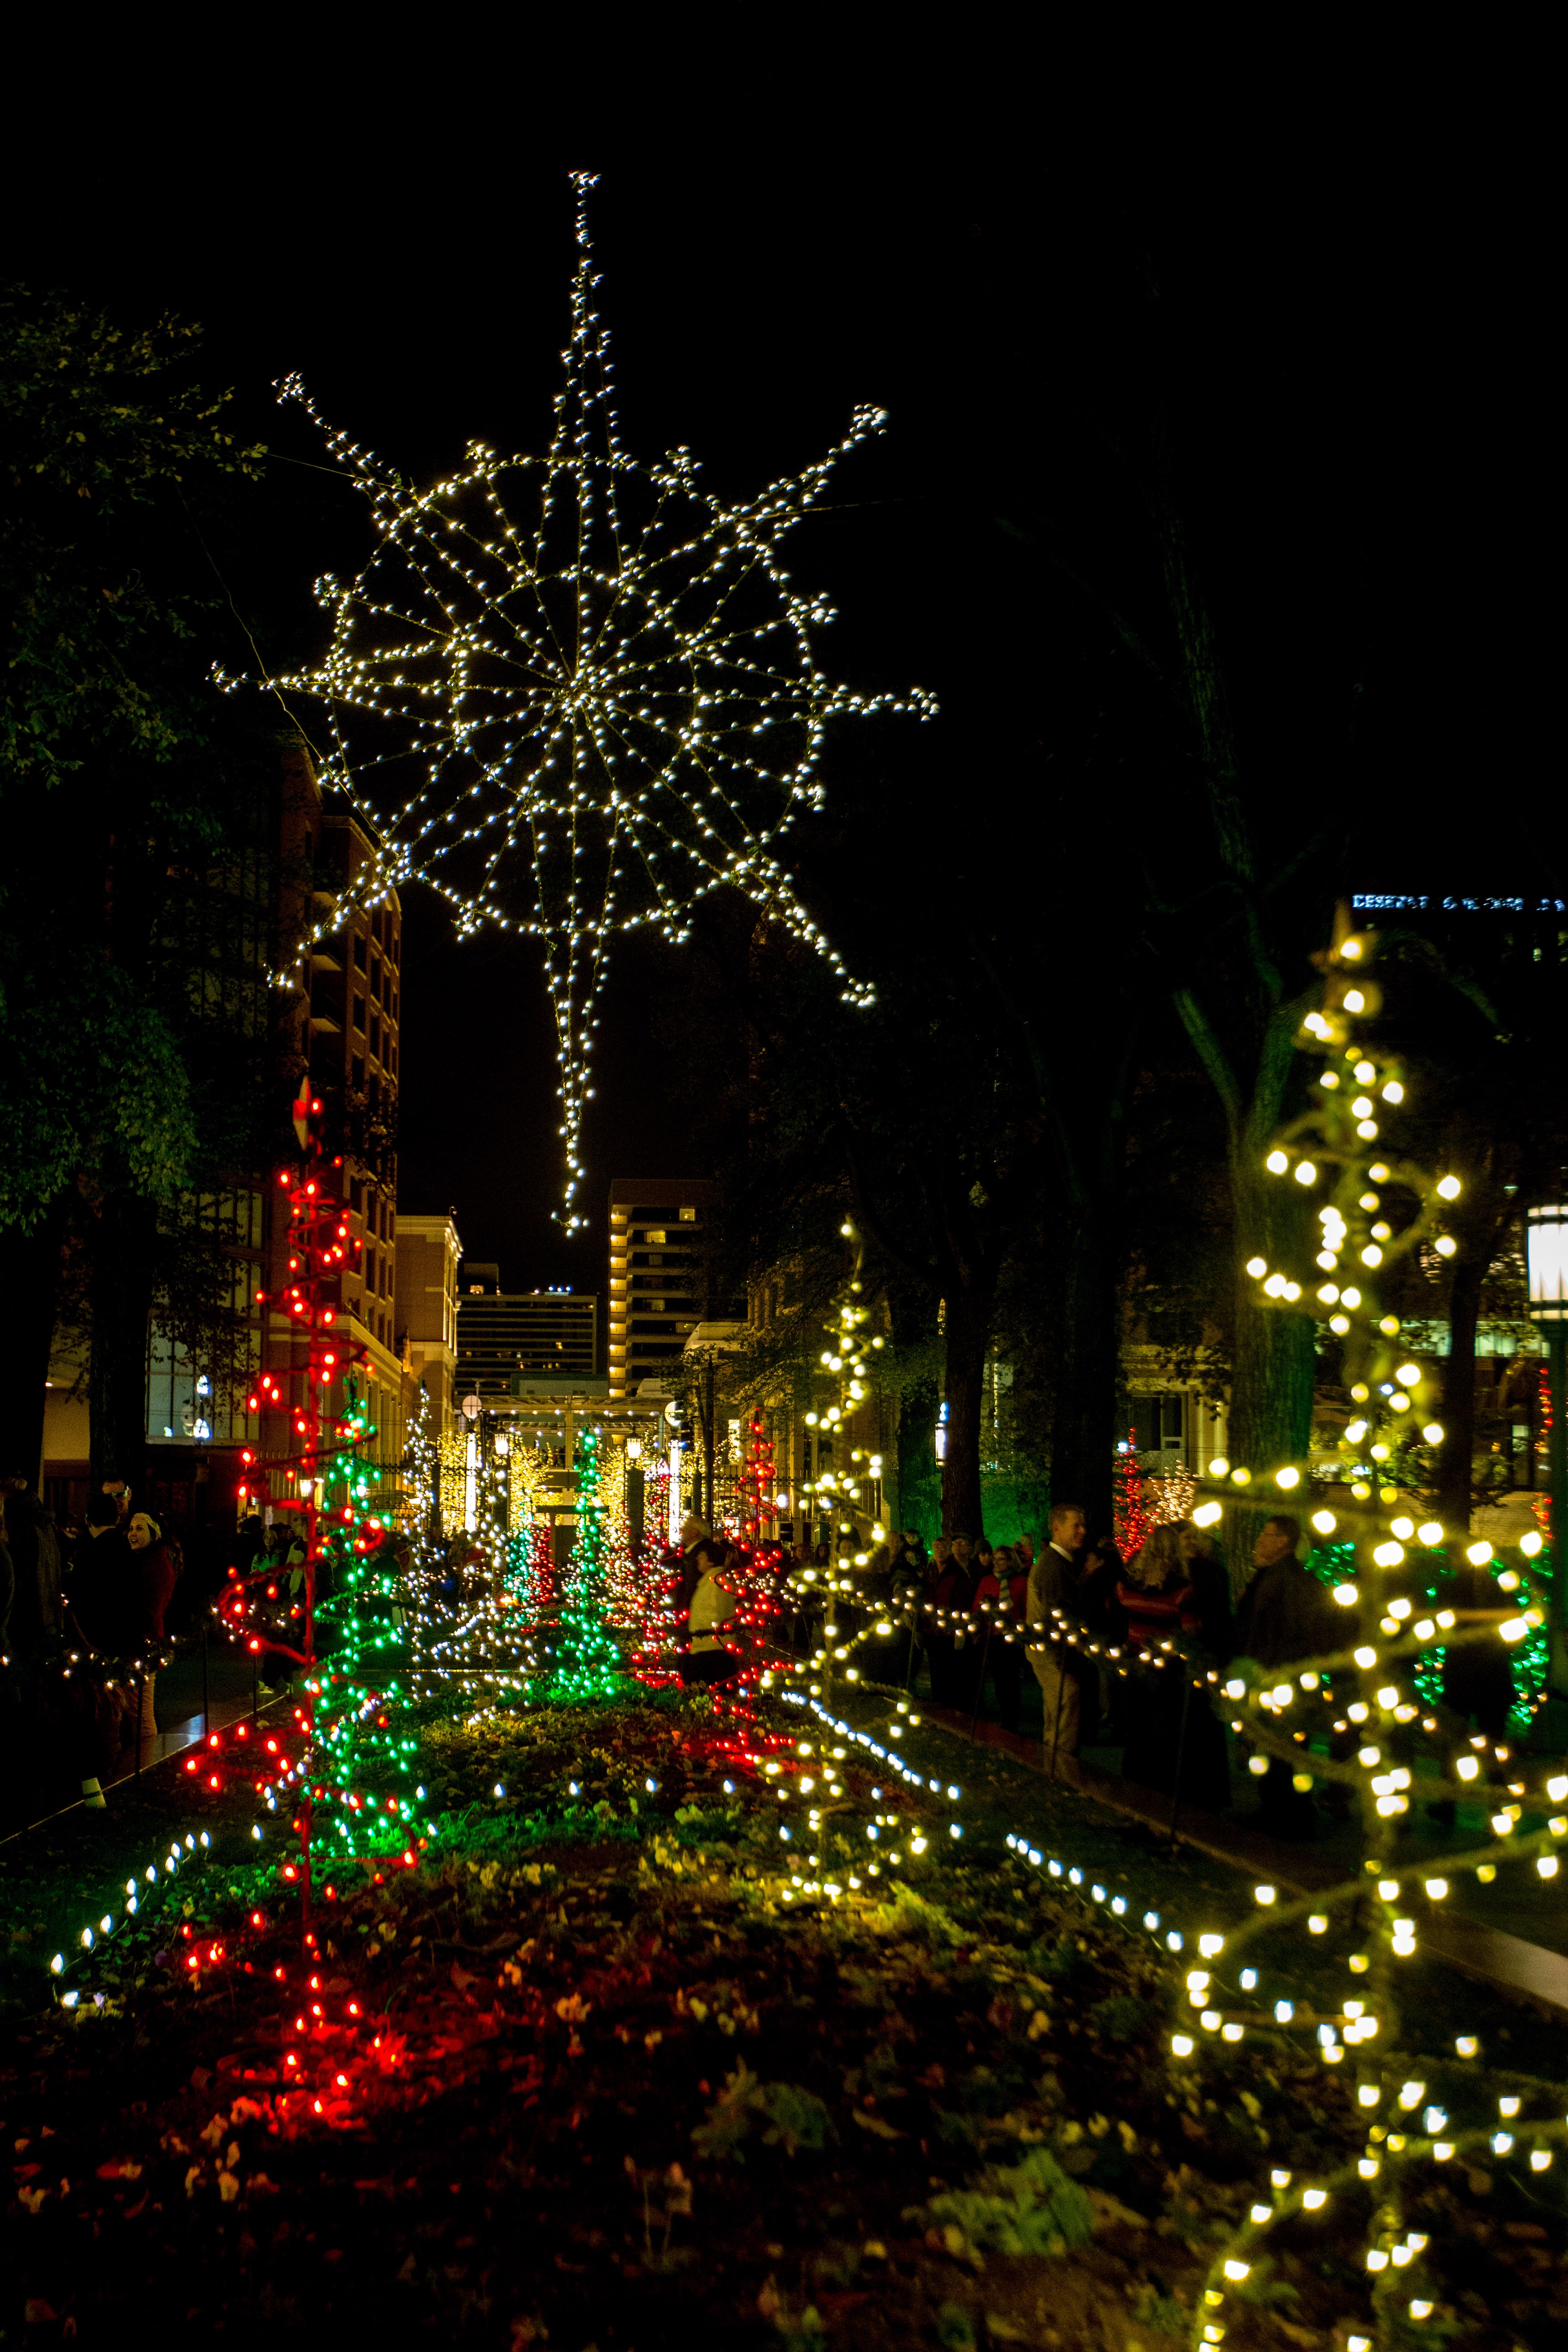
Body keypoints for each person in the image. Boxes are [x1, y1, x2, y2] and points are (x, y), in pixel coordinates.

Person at [1232, 1515, 1342, 1839]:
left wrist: (1270, 1667)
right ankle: (1283, 1809)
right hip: (1281, 1673)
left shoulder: (1286, 1580)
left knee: (1280, 1748)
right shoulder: (1283, 1577)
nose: (1259, 1540)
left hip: (1279, 1675)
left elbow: (1291, 1629)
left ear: (1283, 1541)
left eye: (1266, 1534)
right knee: (1282, 1748)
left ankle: (1285, 1814)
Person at [1026, 1503, 1087, 1782]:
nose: (1082, 1531)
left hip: (1049, 1648)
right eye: (1076, 1525)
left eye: (1083, 1525)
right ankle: (1060, 1771)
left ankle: (1050, 1764)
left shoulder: (1062, 1563)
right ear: (1057, 1528)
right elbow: (1060, 1612)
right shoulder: (1053, 1566)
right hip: (1050, 1650)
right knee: (1067, 1699)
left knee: (1055, 1707)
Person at [974, 1543, 1028, 1732]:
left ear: (1010, 1561)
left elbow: (1026, 1609)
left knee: (1011, 1678)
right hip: (993, 1635)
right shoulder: (987, 1581)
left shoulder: (1021, 1582)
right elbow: (977, 1606)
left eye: (1001, 1559)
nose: (996, 1563)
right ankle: (1004, 1714)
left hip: (1012, 1635)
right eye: (995, 1559)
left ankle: (1012, 1718)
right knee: (998, 1677)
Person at [682, 1537, 740, 1685]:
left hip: (712, 1649)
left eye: (702, 1557)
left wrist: (703, 1633)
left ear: (711, 1561)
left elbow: (716, 1613)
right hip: (708, 1646)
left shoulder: (717, 1582)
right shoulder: (710, 1581)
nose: (698, 1560)